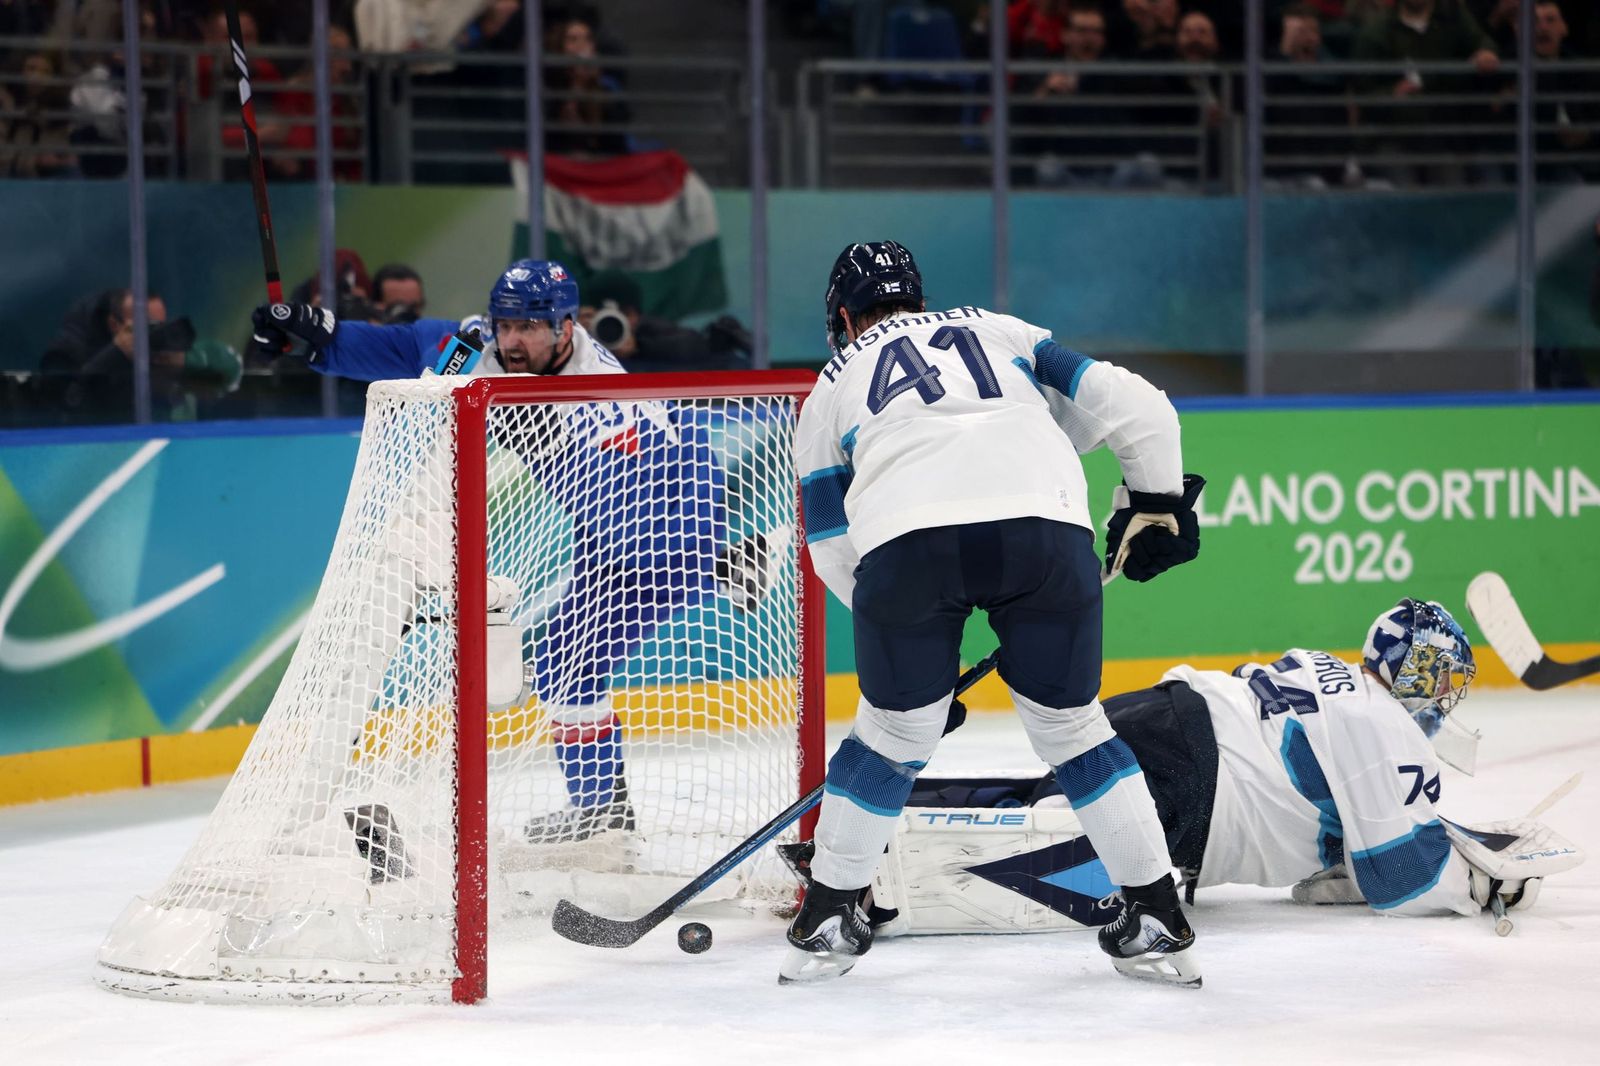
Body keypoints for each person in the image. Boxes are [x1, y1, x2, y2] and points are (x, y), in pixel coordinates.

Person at [786, 240, 1207, 987]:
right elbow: (1141, 407)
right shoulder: (1002, 329)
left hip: (906, 548)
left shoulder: (829, 388)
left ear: (843, 318)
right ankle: (1156, 916)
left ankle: (827, 916)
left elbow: (830, 550)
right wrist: (1156, 503)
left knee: (889, 738)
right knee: (1075, 730)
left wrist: (913, 679)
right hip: (1045, 532)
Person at [250, 259, 774, 843]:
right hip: (608, 536)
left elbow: (634, 506)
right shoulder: (481, 345)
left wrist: (695, 564)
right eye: (506, 325)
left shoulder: (596, 402)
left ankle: (720, 565)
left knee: (560, 660)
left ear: (566, 327)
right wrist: (316, 336)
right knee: (565, 668)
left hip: (674, 516)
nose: (513, 341)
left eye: (530, 327)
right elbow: (403, 347)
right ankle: (604, 810)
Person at [789, 598, 1558, 935]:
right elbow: (1401, 879)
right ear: (1424, 679)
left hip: (1163, 710)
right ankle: (875, 881)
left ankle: (862, 825)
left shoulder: (1330, 672)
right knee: (1055, 865)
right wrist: (1483, 882)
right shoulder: (1393, 730)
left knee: (1046, 801)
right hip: (1197, 780)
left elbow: (1324, 878)